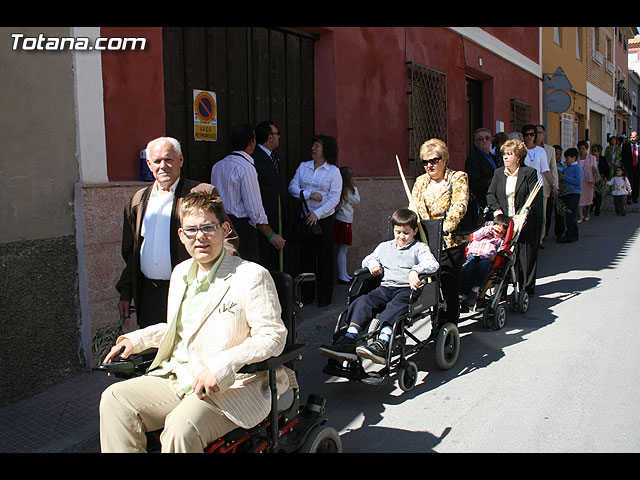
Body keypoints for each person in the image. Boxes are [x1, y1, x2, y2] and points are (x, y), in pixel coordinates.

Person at [100, 192, 296, 453]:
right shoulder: (181, 273)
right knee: (115, 400)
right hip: (178, 376)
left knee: (180, 428)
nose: (200, 237)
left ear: (224, 229)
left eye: (207, 227)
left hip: (231, 386)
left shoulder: (250, 276)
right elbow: (179, 330)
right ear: (181, 236)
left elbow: (272, 337)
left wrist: (223, 365)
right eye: (191, 230)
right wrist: (134, 341)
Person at [116, 137, 239, 329]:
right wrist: (126, 293)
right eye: (157, 161)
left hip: (191, 294)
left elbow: (227, 239)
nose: (163, 166)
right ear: (149, 164)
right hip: (150, 296)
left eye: (169, 159)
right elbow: (131, 252)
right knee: (153, 354)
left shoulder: (201, 193)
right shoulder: (138, 201)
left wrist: (223, 278)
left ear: (180, 160)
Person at [317, 208, 439, 364]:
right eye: (398, 232)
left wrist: (416, 270)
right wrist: (374, 264)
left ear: (415, 231)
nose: (401, 237)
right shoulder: (384, 246)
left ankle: (382, 342)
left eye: (406, 233)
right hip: (386, 287)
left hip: (406, 289)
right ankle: (349, 338)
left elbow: (432, 264)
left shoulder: (419, 248)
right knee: (363, 301)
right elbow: (368, 259)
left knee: (394, 307)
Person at [411, 138, 469, 324]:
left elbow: (459, 206)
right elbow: (414, 207)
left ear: (444, 159)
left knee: (447, 283)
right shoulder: (420, 182)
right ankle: (434, 316)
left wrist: (444, 228)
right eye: (425, 162)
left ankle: (450, 321)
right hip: (426, 240)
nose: (429, 165)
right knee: (429, 283)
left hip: (450, 241)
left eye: (434, 160)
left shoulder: (458, 178)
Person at [211, 124, 285, 263]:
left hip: (221, 226)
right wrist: (271, 235)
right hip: (242, 230)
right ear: (252, 142)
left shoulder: (218, 166)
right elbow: (255, 210)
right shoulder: (246, 168)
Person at [288, 134, 342, 307]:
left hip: (324, 220)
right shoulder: (304, 167)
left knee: (325, 258)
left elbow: (334, 198)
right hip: (305, 218)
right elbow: (292, 187)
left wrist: (317, 214)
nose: (313, 148)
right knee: (306, 258)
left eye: (317, 146)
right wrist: (308, 194)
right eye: (313, 145)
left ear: (326, 149)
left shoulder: (334, 172)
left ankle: (325, 298)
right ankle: (307, 296)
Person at [487, 138, 542, 295]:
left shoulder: (529, 173)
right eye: (504, 154)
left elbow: (533, 196)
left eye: (509, 154)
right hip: (504, 221)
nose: (505, 157)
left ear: (518, 157)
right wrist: (496, 210)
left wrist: (523, 214)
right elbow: (490, 194)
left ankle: (526, 289)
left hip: (524, 220)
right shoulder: (498, 173)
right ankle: (501, 290)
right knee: (503, 255)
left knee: (526, 254)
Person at [252, 121, 288, 271]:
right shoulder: (255, 158)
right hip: (264, 221)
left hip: (279, 219)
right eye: (277, 133)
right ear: (270, 137)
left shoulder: (275, 158)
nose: (279, 136)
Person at [459, 213, 511, 309]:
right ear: (492, 226)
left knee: (482, 268)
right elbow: (474, 236)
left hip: (487, 258)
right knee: (467, 269)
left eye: (501, 233)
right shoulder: (483, 233)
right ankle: (463, 292)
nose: (497, 234)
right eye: (496, 230)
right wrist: (488, 229)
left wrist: (496, 256)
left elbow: (502, 248)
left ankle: (475, 290)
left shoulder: (499, 240)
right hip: (473, 255)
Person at [334, 166, 360, 285]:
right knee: (342, 249)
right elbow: (357, 200)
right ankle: (342, 275)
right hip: (343, 221)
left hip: (344, 221)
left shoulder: (343, 191)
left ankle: (344, 274)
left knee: (343, 250)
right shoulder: (347, 191)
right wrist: (354, 187)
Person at [465, 127, 502, 209]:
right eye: (481, 139)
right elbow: (475, 183)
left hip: (498, 200)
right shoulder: (473, 159)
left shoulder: (494, 157)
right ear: (476, 143)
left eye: (487, 138)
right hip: (483, 201)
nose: (484, 141)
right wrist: (496, 181)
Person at [535, 125, 559, 248]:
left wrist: (555, 186)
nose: (536, 135)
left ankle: (540, 239)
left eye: (539, 132)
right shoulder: (527, 148)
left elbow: (552, 169)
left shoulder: (550, 150)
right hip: (529, 186)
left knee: (542, 215)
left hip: (544, 187)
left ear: (544, 134)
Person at [557, 148, 583, 243]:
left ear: (574, 158)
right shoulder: (567, 168)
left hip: (574, 193)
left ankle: (570, 234)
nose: (566, 160)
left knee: (571, 215)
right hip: (567, 193)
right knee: (569, 214)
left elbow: (578, 181)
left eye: (568, 158)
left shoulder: (577, 168)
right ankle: (573, 233)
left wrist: (566, 178)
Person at [576, 140, 599, 222]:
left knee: (589, 198)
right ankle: (581, 215)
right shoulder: (576, 157)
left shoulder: (592, 158)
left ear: (586, 149)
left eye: (583, 148)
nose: (581, 150)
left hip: (589, 180)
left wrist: (597, 179)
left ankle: (587, 212)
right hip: (579, 180)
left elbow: (595, 169)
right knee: (580, 198)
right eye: (580, 149)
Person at [621, 131, 640, 203]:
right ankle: (629, 197)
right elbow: (623, 156)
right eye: (631, 137)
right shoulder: (626, 146)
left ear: (637, 137)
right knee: (629, 182)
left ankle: (635, 197)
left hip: (637, 167)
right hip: (629, 167)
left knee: (636, 182)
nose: (632, 139)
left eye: (633, 137)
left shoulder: (638, 146)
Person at [591, 143, 608, 216]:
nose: (594, 153)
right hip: (592, 179)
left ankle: (597, 209)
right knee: (591, 195)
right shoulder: (590, 159)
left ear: (599, 151)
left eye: (595, 151)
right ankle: (591, 207)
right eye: (593, 151)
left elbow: (606, 169)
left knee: (598, 195)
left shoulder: (603, 159)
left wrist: (605, 177)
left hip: (600, 179)